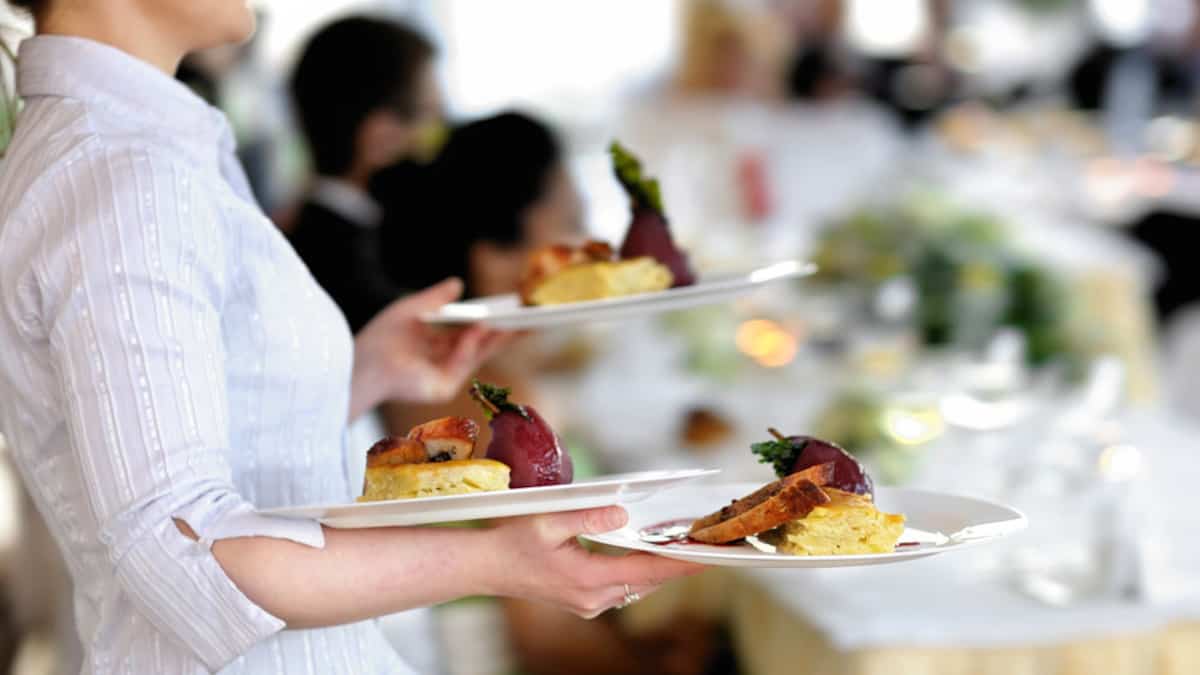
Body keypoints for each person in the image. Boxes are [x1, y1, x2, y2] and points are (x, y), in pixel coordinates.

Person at [0, 3, 703, 674]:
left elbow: (195, 454)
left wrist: (355, 376)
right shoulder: (121, 176)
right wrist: (497, 561)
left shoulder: (144, 147)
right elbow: (186, 550)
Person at [287, 15, 442, 333]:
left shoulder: (302, 234)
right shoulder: (353, 269)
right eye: (428, 117)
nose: (436, 137)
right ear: (380, 135)